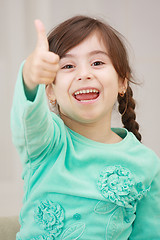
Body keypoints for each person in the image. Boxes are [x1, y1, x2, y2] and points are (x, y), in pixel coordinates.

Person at [11, 16, 160, 240]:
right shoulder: (47, 143)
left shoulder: (145, 162)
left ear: (122, 82)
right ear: (50, 91)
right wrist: (29, 77)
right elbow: (28, 119)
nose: (84, 74)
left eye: (97, 63)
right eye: (68, 66)